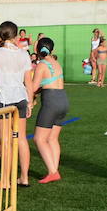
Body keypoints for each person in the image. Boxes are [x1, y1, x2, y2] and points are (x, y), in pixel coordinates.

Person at [0, 22, 34, 188]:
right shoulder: (23, 54)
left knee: (5, 140)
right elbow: (29, 81)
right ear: (15, 36)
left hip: (3, 98)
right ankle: (24, 177)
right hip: (21, 97)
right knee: (21, 138)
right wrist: (30, 102)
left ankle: (5, 180)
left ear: (1, 35)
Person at [27, 39, 69, 184]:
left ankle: (52, 171)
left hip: (51, 102)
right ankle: (53, 169)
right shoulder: (56, 63)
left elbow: (33, 88)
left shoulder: (41, 65)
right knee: (52, 138)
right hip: (63, 100)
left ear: (38, 50)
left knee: (39, 138)